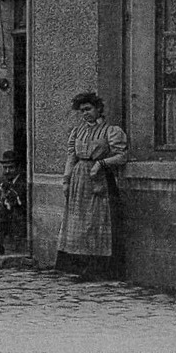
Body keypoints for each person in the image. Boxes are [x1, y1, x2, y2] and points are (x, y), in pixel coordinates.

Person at [55, 91, 128, 279]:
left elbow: (122, 156)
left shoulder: (111, 131)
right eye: (82, 111)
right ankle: (78, 267)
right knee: (78, 223)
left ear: (99, 109)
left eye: (88, 109)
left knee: (96, 223)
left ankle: (98, 269)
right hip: (79, 180)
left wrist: (101, 163)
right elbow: (71, 156)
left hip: (100, 180)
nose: (85, 113)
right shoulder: (77, 131)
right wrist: (66, 180)